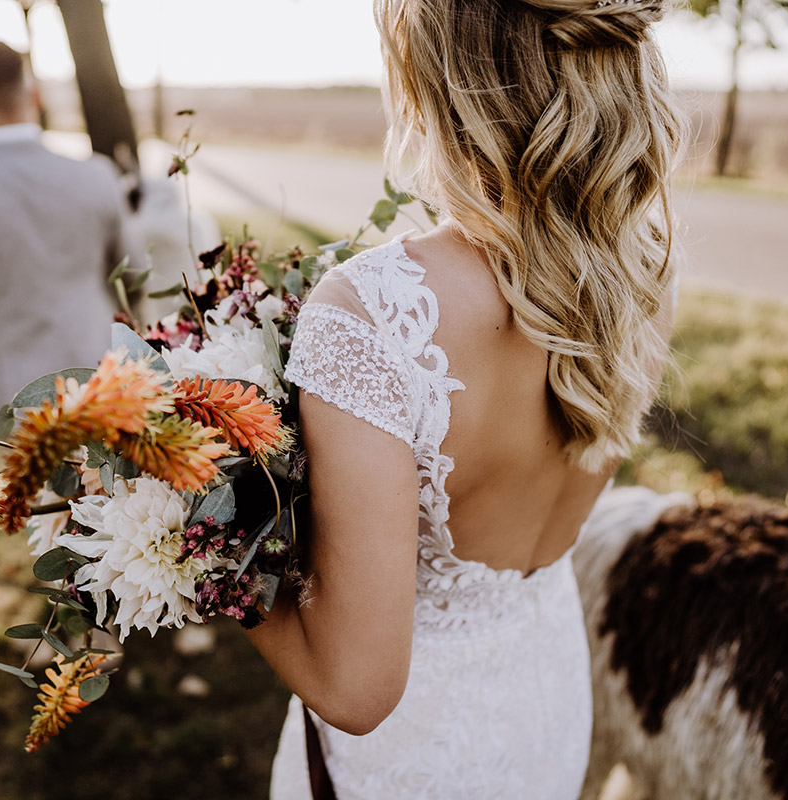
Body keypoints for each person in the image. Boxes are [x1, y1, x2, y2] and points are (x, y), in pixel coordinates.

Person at [249, 0, 683, 796]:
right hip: (544, 696)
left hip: (410, 759)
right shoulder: (641, 273)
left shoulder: (368, 311)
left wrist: (210, 561)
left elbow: (355, 687)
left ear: (434, 81)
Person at [0, 40, 142, 418]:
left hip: (13, 397)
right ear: (36, 93)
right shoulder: (98, 176)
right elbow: (135, 276)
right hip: (104, 374)